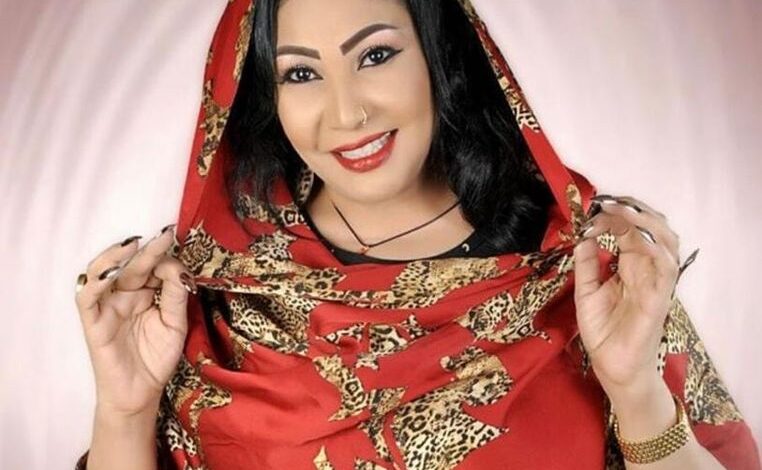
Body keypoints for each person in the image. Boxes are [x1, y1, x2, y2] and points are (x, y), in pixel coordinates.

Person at [73, 0, 761, 468]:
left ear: (439, 54)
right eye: (302, 73)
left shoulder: (587, 268)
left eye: (375, 56)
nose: (347, 112)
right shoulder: (208, 289)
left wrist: (636, 391)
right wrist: (125, 414)